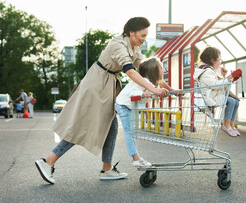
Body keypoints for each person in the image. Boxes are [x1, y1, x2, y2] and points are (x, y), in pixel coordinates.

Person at [35, 17, 169, 184]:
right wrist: (153, 89)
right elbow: (130, 71)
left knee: (111, 126)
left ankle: (106, 168)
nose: (144, 39)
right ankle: (48, 161)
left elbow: (148, 71)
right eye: (142, 35)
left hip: (108, 85)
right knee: (82, 125)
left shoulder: (133, 47)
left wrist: (170, 89)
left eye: (145, 36)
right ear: (132, 32)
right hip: (97, 85)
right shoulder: (118, 45)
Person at [115, 57, 165, 167]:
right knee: (129, 132)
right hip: (123, 105)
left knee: (131, 131)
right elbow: (132, 95)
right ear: (154, 70)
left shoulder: (148, 83)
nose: (164, 70)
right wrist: (142, 94)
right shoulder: (145, 82)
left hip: (127, 105)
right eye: (161, 67)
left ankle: (136, 157)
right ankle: (135, 158)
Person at [193, 47, 240, 137]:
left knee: (236, 102)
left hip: (215, 95)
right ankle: (226, 125)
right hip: (211, 98)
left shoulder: (209, 70)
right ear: (212, 60)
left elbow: (217, 83)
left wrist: (224, 76)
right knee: (231, 101)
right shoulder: (206, 72)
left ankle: (231, 124)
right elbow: (215, 85)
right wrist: (229, 78)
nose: (220, 62)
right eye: (219, 60)